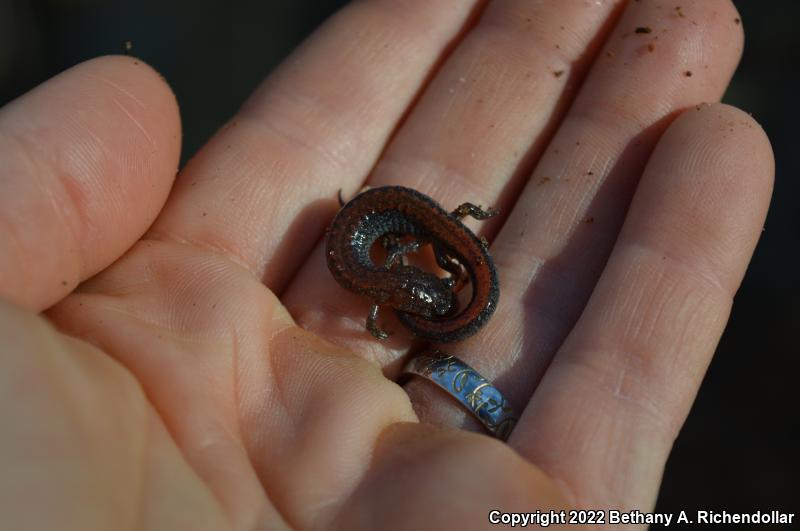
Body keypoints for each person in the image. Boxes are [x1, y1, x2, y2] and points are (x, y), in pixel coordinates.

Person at [0, 1, 773, 529]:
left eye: (437, 293)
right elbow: (385, 302)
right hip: (387, 221)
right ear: (413, 289)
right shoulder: (376, 289)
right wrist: (413, 283)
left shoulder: (381, 277)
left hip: (393, 217)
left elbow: (399, 291)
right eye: (436, 295)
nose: (435, 295)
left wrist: (423, 269)